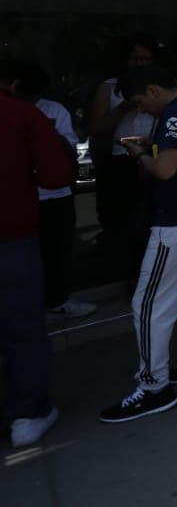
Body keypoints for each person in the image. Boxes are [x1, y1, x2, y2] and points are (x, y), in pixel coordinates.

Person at [100, 66, 177, 424]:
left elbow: (167, 169)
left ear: (153, 90)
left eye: (140, 101)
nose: (141, 110)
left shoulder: (175, 113)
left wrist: (139, 153)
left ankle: (154, 387)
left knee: (148, 302)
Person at [1, 67, 74, 447]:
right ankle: (27, 413)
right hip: (12, 239)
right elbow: (55, 175)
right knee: (22, 328)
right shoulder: (20, 115)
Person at [9, 63, 97, 319]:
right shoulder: (9, 111)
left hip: (55, 195)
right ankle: (25, 307)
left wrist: (45, 130)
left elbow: (70, 149)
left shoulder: (53, 110)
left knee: (58, 251)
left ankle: (58, 300)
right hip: (20, 194)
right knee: (21, 254)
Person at [89, 36, 158, 283]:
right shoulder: (110, 87)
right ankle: (132, 277)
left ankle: (157, 274)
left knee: (155, 219)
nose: (139, 63)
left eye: (145, 59)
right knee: (127, 223)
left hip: (157, 156)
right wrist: (124, 108)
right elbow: (97, 127)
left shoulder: (161, 86)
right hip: (122, 161)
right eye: (134, 58)